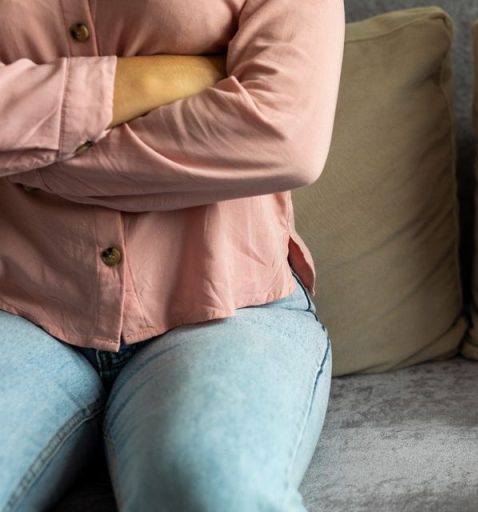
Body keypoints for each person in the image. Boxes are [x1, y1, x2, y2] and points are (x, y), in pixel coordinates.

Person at [0, 1, 344, 510]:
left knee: (214, 490)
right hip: (18, 305)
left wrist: (31, 160)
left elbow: (283, 135)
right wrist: (156, 80)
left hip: (229, 306)